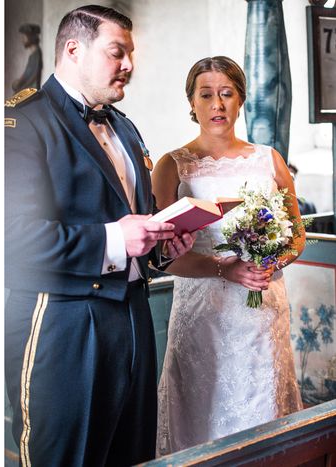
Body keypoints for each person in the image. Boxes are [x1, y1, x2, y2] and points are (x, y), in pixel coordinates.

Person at [4, 6, 195, 466]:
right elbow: (11, 237)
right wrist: (115, 240)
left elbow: (132, 218)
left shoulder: (124, 126)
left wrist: (162, 244)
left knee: (133, 453)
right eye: (117, 52)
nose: (129, 64)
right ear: (74, 49)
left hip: (133, 316)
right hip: (63, 320)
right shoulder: (22, 123)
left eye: (131, 53)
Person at [153, 56, 304, 455]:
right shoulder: (172, 166)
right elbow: (161, 255)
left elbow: (297, 236)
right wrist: (225, 270)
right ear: (192, 102)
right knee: (201, 414)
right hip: (204, 314)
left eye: (227, 93)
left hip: (262, 310)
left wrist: (269, 262)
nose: (217, 104)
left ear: (241, 100)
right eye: (206, 95)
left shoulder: (269, 159)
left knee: (264, 408)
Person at [11, 23, 43, 92]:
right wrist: (19, 82)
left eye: (24, 37)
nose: (22, 40)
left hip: (31, 92)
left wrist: (20, 86)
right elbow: (27, 74)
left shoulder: (36, 55)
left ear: (30, 37)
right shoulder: (33, 55)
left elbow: (33, 77)